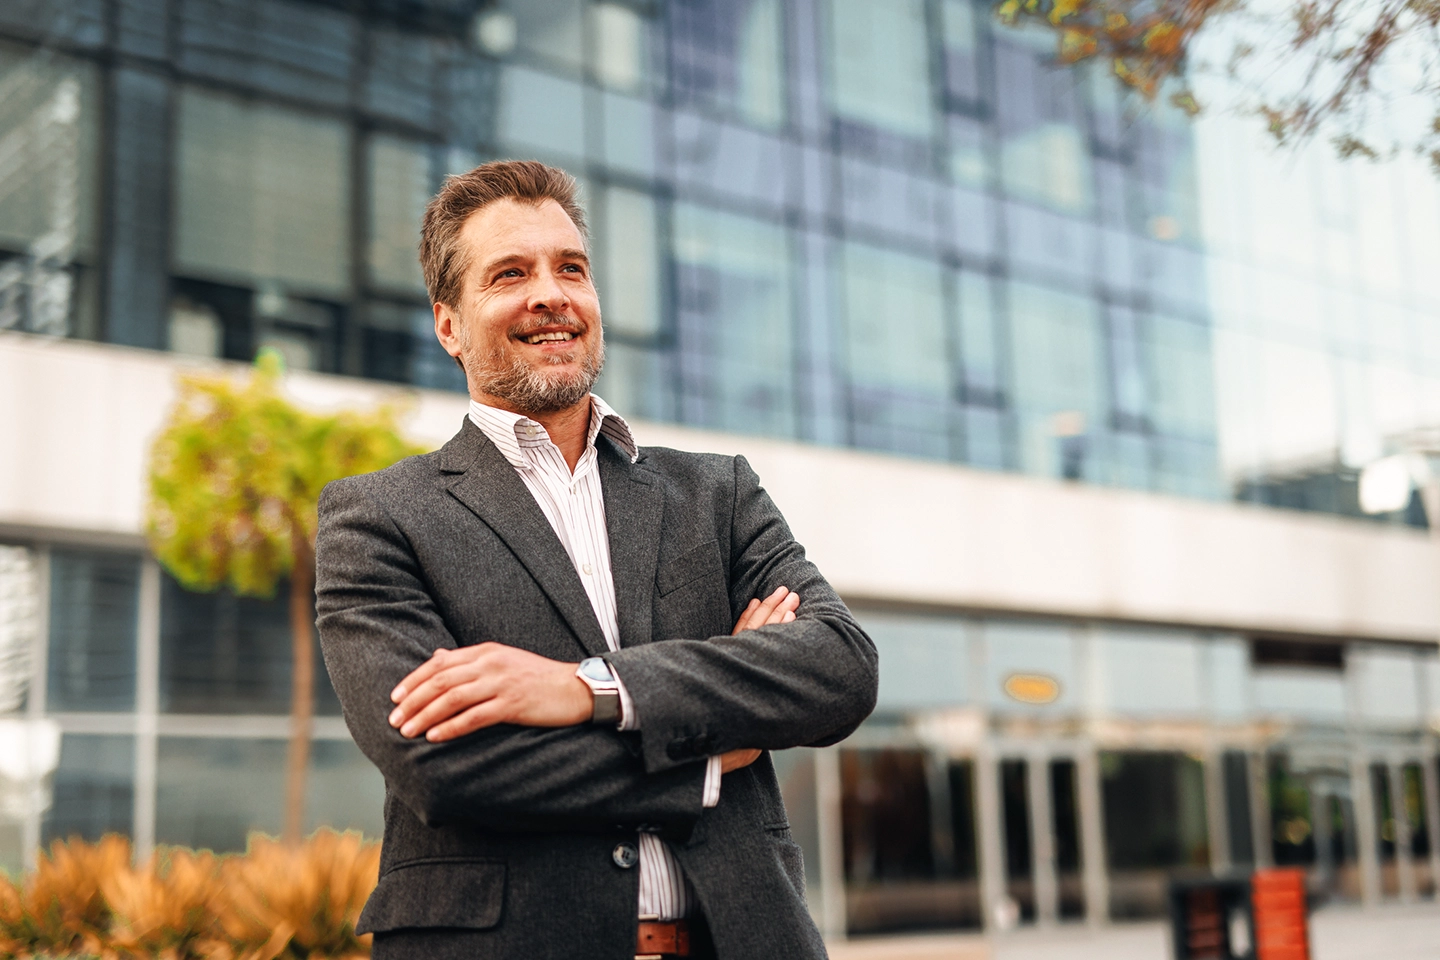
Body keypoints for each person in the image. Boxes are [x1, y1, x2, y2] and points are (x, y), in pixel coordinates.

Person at [314, 159, 878, 960]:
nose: (551, 294)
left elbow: (840, 669)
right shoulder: (377, 517)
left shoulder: (717, 493)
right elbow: (442, 767)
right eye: (511, 274)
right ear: (449, 325)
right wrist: (713, 747)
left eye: (570, 268)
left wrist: (586, 691)